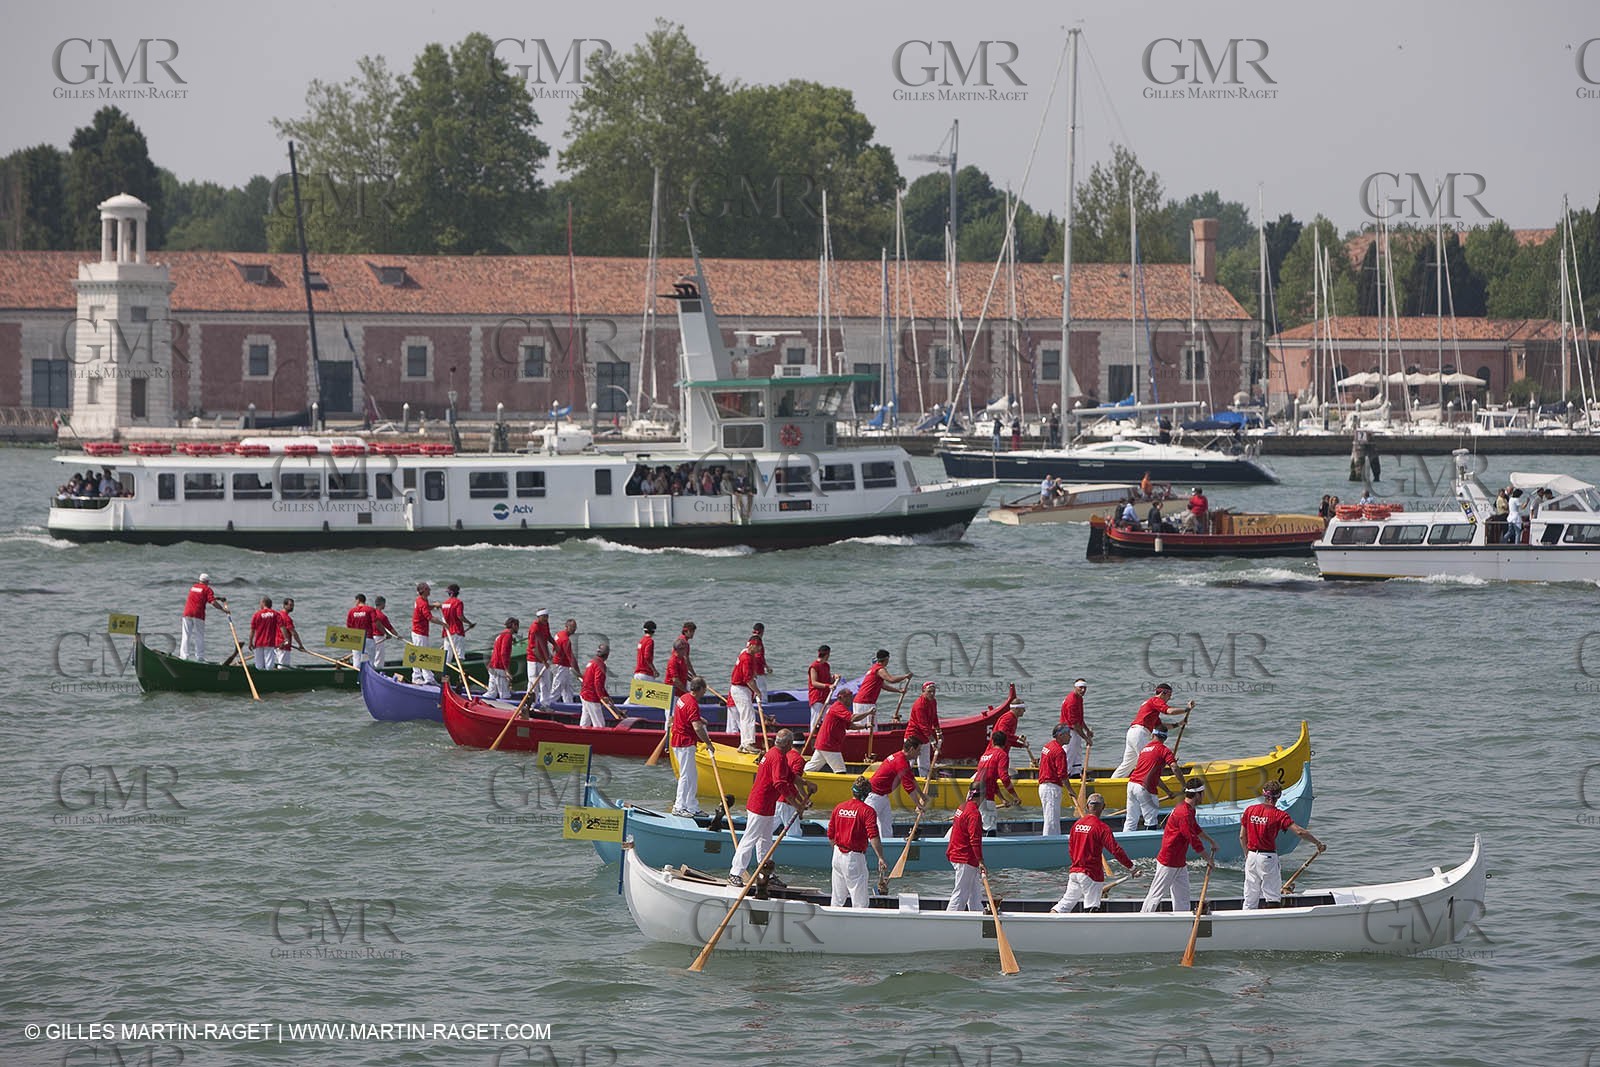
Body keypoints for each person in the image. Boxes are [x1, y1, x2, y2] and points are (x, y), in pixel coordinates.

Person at [730, 730, 805, 886]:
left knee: (765, 841)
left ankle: (766, 873)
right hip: (760, 805)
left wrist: (806, 784)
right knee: (750, 839)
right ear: (789, 744)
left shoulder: (776, 754)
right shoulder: (776, 757)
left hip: (767, 805)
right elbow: (780, 784)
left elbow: (789, 776)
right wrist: (797, 804)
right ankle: (735, 873)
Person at [1241, 780, 1325, 908]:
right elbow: (1299, 832)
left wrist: (1247, 855)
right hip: (1267, 859)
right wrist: (1317, 843)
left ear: (1264, 794)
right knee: (1273, 897)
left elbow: (1242, 836)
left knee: (1250, 898)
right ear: (1279, 796)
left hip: (1251, 857)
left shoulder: (1249, 810)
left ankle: (1245, 923)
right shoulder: (1279, 815)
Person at [1141, 778, 1217, 914]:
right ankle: (1142, 918)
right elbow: (1193, 839)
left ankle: (1182, 919)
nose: (1204, 796)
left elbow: (1195, 828)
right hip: (1168, 861)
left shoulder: (1189, 810)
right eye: (1203, 793)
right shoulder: (1184, 813)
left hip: (1179, 861)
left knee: (1182, 896)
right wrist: (1208, 859)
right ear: (1197, 795)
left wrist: (1211, 841)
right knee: (1155, 895)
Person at [1049, 793, 1134, 914]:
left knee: (1064, 904)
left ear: (1088, 807)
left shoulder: (1076, 825)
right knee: (1092, 908)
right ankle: (1088, 932)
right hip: (1091, 874)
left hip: (1075, 872)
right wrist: (1131, 867)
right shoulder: (1102, 827)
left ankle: (1049, 922)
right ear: (1103, 807)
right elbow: (1115, 850)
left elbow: (1071, 849)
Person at [1112, 683, 1193, 778]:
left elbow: (1160, 726)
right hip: (1140, 734)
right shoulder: (1155, 700)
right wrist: (1187, 709)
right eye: (1169, 696)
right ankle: (1143, 783)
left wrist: (1179, 724)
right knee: (1148, 760)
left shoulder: (1151, 707)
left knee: (1127, 764)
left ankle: (1111, 783)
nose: (1169, 699)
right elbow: (1169, 711)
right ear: (1163, 693)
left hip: (1133, 733)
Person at [829, 778, 888, 908]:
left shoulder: (839, 807)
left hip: (837, 855)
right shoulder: (867, 811)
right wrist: (881, 857)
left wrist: (837, 851)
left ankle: (832, 923)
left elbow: (830, 834)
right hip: (854, 858)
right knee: (860, 901)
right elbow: (873, 836)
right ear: (867, 794)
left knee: (837, 899)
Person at [1124, 727, 1182, 833]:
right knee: (1151, 820)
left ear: (1152, 735)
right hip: (1145, 788)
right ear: (1165, 738)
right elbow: (1174, 767)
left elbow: (1155, 777)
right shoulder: (1164, 750)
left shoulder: (1144, 750)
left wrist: (1168, 792)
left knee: (1131, 820)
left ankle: (1124, 843)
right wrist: (1184, 784)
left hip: (1132, 784)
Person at [669, 677, 712, 817]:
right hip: (684, 743)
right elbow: (697, 728)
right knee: (686, 776)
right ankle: (678, 806)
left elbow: (685, 716)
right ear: (699, 689)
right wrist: (708, 743)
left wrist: (700, 719)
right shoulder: (692, 703)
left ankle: (692, 806)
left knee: (692, 776)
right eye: (704, 691)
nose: (703, 694)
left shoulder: (684, 697)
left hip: (679, 740)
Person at [866, 738, 928, 832]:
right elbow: (908, 787)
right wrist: (918, 805)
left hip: (883, 796)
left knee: (886, 827)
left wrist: (922, 796)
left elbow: (912, 779)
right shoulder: (901, 762)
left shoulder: (902, 759)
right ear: (911, 749)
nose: (919, 754)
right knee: (867, 825)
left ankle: (887, 843)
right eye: (918, 750)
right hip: (873, 796)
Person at [805, 688, 871, 772]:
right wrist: (868, 712)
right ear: (841, 697)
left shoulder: (842, 709)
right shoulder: (837, 707)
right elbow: (852, 718)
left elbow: (849, 726)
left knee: (811, 768)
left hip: (823, 743)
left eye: (851, 697)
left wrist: (865, 726)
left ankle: (798, 776)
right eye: (848, 697)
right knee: (841, 771)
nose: (851, 699)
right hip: (829, 745)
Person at [973, 731, 1022, 834]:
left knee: (974, 823)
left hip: (973, 792)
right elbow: (1004, 778)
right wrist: (1015, 796)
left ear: (992, 742)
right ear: (1005, 744)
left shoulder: (985, 754)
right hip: (985, 795)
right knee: (990, 828)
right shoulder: (1002, 755)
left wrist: (1002, 799)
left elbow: (991, 778)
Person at [946, 787, 986, 912]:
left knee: (974, 894)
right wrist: (980, 861)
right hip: (964, 857)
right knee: (960, 894)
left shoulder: (962, 807)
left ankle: (978, 915)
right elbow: (975, 840)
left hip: (959, 854)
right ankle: (949, 921)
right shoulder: (974, 814)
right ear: (981, 797)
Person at [854, 649, 910, 730]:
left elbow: (883, 686)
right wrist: (905, 676)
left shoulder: (873, 668)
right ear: (886, 659)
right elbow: (891, 680)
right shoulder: (880, 669)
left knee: (864, 728)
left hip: (860, 701)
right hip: (865, 702)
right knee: (868, 729)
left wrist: (898, 691)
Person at [180, 573, 228, 662]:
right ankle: (200, 657)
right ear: (207, 581)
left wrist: (217, 598)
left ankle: (184, 656)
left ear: (200, 580)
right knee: (199, 636)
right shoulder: (207, 589)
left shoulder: (193, 587)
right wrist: (223, 610)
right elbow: (212, 602)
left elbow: (202, 596)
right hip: (198, 614)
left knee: (186, 635)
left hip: (187, 613)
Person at [1037, 724, 1072, 836]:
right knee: (1051, 821)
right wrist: (1071, 790)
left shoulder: (1047, 746)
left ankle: (1053, 839)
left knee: (1052, 819)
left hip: (1044, 786)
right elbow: (1063, 775)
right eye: (1068, 734)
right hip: (1051, 788)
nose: (1070, 737)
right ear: (1060, 735)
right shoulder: (1059, 751)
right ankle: (1048, 842)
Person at [729, 637, 761, 753]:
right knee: (749, 716)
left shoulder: (745, 652)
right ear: (752, 646)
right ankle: (748, 743)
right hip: (740, 689)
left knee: (745, 716)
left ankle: (743, 743)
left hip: (741, 689)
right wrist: (758, 691)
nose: (759, 649)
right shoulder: (746, 658)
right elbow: (748, 680)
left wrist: (754, 673)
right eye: (758, 647)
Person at [905, 681, 942, 778]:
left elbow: (934, 717)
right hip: (913, 736)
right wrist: (933, 741)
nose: (932, 694)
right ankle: (903, 780)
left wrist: (938, 732)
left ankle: (924, 779)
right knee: (909, 762)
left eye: (933, 691)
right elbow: (923, 725)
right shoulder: (919, 705)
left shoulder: (933, 701)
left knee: (925, 762)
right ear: (923, 691)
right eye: (929, 691)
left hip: (925, 737)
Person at [1058, 678, 1093, 777]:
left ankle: (1075, 773)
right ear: (1075, 687)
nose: (1083, 690)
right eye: (1081, 688)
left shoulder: (1079, 698)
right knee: (1069, 753)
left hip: (1074, 729)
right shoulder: (1072, 700)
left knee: (1077, 752)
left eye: (1085, 688)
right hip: (1068, 730)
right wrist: (1086, 738)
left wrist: (1087, 731)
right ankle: (1065, 775)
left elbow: (1080, 719)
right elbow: (1074, 724)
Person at [578, 642, 617, 728]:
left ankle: (580, 737)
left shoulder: (592, 662)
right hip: (591, 697)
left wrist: (607, 696)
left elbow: (598, 684)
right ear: (607, 655)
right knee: (600, 725)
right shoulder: (600, 665)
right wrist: (601, 697)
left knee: (585, 722)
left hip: (584, 694)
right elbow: (597, 683)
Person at [439, 584, 473, 669]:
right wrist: (469, 623)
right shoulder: (458, 602)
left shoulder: (445, 604)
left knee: (447, 658)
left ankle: (445, 677)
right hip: (457, 632)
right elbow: (460, 616)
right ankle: (460, 676)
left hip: (447, 632)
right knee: (460, 656)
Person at [410, 582, 438, 685]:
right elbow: (429, 617)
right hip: (419, 632)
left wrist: (433, 606)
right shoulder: (422, 602)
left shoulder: (422, 600)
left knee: (423, 653)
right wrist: (443, 624)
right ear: (424, 591)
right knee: (421, 654)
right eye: (428, 589)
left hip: (421, 631)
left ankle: (428, 677)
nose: (430, 590)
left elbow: (425, 609)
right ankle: (417, 677)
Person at [526, 609, 554, 707]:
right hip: (534, 660)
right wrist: (543, 661)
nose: (546, 618)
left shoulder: (546, 624)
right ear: (539, 617)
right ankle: (531, 704)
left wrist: (555, 644)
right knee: (534, 683)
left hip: (544, 658)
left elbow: (548, 636)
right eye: (544, 617)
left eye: (547, 616)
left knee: (546, 682)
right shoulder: (534, 628)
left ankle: (545, 704)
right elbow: (533, 648)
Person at [487, 617, 519, 700]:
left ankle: (484, 701)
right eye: (517, 625)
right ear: (513, 625)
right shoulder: (508, 635)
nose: (518, 628)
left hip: (493, 665)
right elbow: (503, 653)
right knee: (505, 693)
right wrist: (507, 670)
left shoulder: (503, 634)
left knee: (492, 692)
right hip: (499, 667)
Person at [806, 645, 836, 734]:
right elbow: (814, 682)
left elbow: (828, 679)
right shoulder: (814, 666)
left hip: (825, 697)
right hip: (817, 697)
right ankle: (813, 737)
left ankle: (824, 734)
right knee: (816, 719)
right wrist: (828, 686)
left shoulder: (826, 666)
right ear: (827, 655)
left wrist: (834, 678)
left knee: (827, 717)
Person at [549, 619, 578, 705]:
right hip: (560, 666)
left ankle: (569, 705)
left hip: (562, 665)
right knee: (557, 688)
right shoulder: (566, 640)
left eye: (575, 627)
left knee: (567, 688)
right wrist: (578, 672)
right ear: (566, 627)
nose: (574, 629)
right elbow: (571, 657)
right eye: (572, 627)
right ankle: (548, 704)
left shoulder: (558, 634)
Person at [248, 597, 279, 671]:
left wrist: (250, 642)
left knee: (259, 666)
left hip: (258, 643)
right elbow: (282, 627)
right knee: (269, 666)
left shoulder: (256, 614)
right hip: (269, 643)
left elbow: (252, 630)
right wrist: (285, 639)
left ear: (263, 603)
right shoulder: (275, 614)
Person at [346, 595, 376, 669]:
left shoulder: (351, 611)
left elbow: (349, 627)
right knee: (371, 661)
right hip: (368, 637)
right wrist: (385, 633)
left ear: (358, 600)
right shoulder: (370, 610)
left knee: (356, 661)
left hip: (355, 638)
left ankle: (356, 677)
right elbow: (375, 623)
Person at [275, 597, 305, 667]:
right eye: (290, 605)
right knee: (283, 667)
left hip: (277, 645)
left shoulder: (277, 615)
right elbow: (293, 633)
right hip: (284, 646)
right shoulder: (286, 618)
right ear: (285, 605)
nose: (292, 607)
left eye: (293, 605)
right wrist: (300, 645)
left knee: (280, 665)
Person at [370, 596, 399, 665]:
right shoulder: (382, 616)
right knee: (379, 657)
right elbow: (390, 628)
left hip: (370, 637)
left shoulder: (371, 613)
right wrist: (398, 636)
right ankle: (378, 671)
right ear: (382, 604)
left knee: (371, 656)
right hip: (379, 638)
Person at [749, 622, 770, 703]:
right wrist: (764, 667)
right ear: (762, 631)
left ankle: (756, 701)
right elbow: (759, 657)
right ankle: (763, 703)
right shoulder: (757, 641)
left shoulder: (751, 639)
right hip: (757, 669)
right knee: (762, 688)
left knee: (754, 687)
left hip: (753, 668)